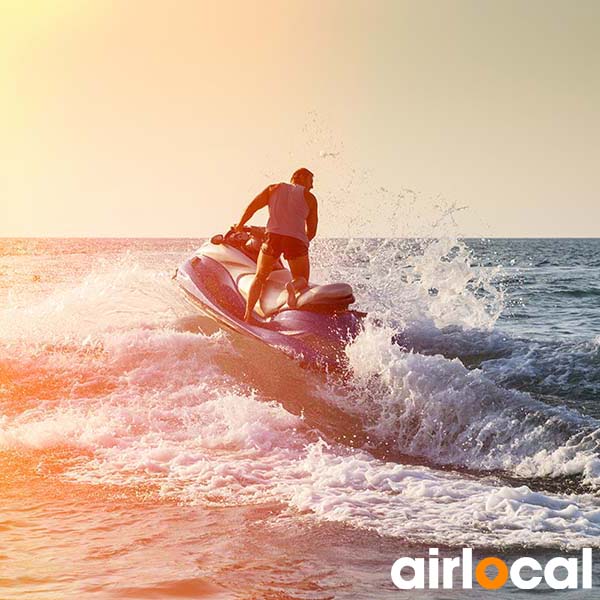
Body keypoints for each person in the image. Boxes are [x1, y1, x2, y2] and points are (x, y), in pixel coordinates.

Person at [233, 167, 318, 323]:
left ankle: (247, 316)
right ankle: (292, 286)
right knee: (302, 278)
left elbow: (252, 207)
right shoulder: (310, 198)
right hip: (296, 241)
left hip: (273, 238)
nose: (312, 186)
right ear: (302, 178)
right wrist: (302, 244)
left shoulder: (274, 188)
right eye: (311, 181)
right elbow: (312, 231)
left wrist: (240, 225)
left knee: (259, 277)